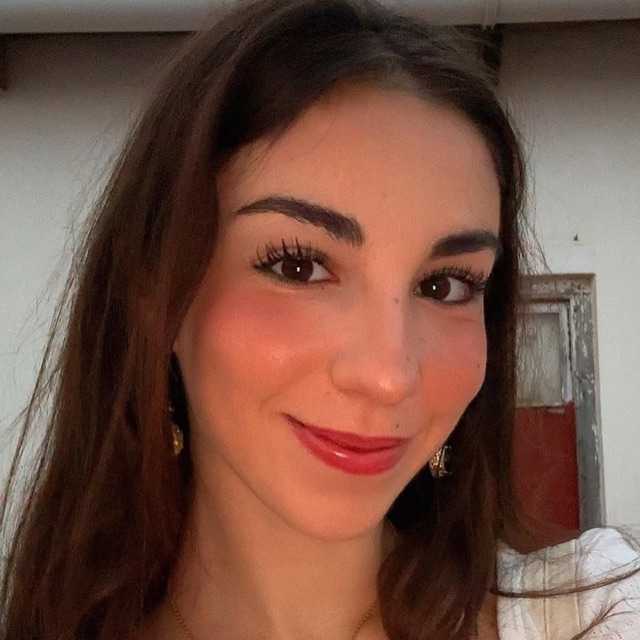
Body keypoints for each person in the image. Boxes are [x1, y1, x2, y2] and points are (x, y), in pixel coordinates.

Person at [1, 0, 639, 639]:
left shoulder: (600, 618)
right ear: (156, 295)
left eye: (445, 285)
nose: (388, 376)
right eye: (299, 267)